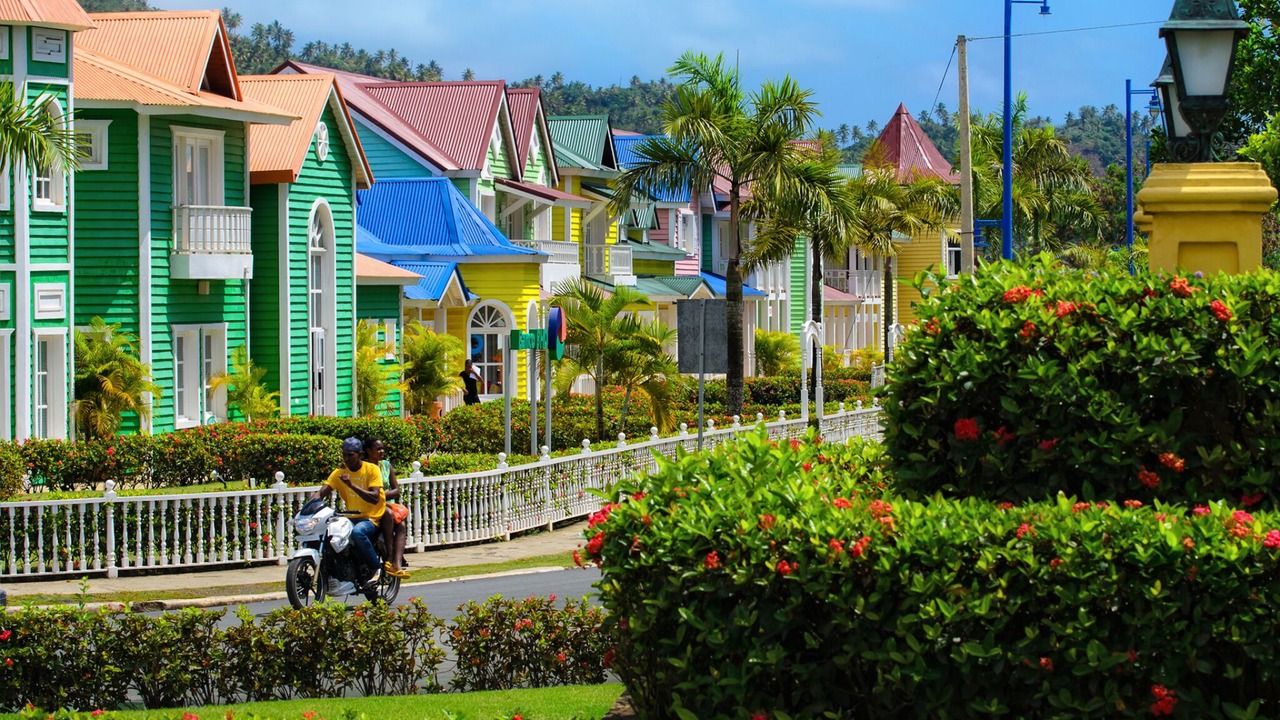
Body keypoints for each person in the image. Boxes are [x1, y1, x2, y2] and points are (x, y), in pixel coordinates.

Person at [310, 437, 385, 590]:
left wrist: (351, 485)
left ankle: (376, 568)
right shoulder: (340, 472)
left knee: (358, 533)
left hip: (371, 517)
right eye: (344, 455)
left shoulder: (372, 469)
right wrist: (308, 507)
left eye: (350, 455)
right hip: (350, 517)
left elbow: (374, 497)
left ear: (360, 454)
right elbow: (321, 492)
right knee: (331, 535)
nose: (346, 458)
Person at [364, 437, 409, 579]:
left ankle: (397, 562)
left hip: (385, 503)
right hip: (370, 505)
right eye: (378, 449)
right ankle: (389, 555)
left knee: (401, 524)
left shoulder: (386, 465)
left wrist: (380, 495)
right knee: (388, 514)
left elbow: (396, 490)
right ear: (368, 451)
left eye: (382, 448)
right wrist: (376, 496)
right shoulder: (364, 467)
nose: (382, 451)